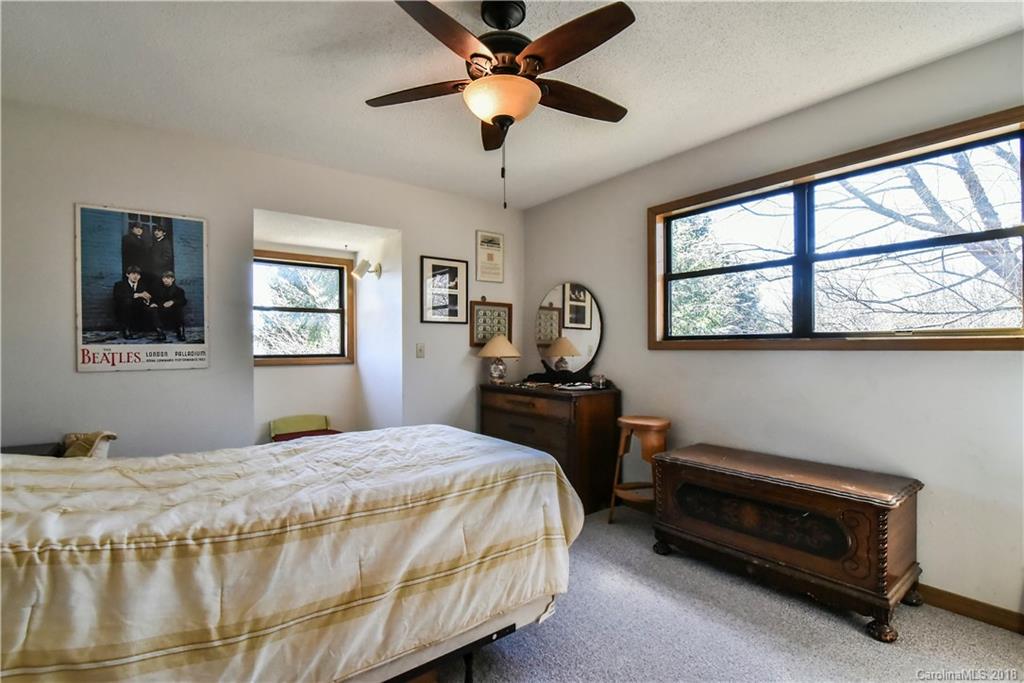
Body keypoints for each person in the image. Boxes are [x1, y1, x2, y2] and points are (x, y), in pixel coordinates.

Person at [112, 265, 157, 339]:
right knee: (127, 302)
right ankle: (126, 330)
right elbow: (117, 297)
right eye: (133, 274)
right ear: (127, 275)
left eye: (138, 274)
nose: (135, 276)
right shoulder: (119, 285)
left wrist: (149, 301)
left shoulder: (142, 285)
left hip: (139, 310)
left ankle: (159, 330)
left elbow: (149, 297)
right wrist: (137, 295)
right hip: (124, 310)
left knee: (153, 308)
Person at [151, 270, 187, 342]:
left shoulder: (179, 290)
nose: (165, 280)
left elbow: (184, 301)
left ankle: (180, 332)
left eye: (168, 278)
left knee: (179, 308)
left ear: (172, 279)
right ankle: (160, 333)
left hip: (173, 310)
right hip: (161, 309)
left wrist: (173, 302)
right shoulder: (158, 290)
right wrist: (153, 303)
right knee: (153, 309)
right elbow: (153, 299)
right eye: (164, 278)